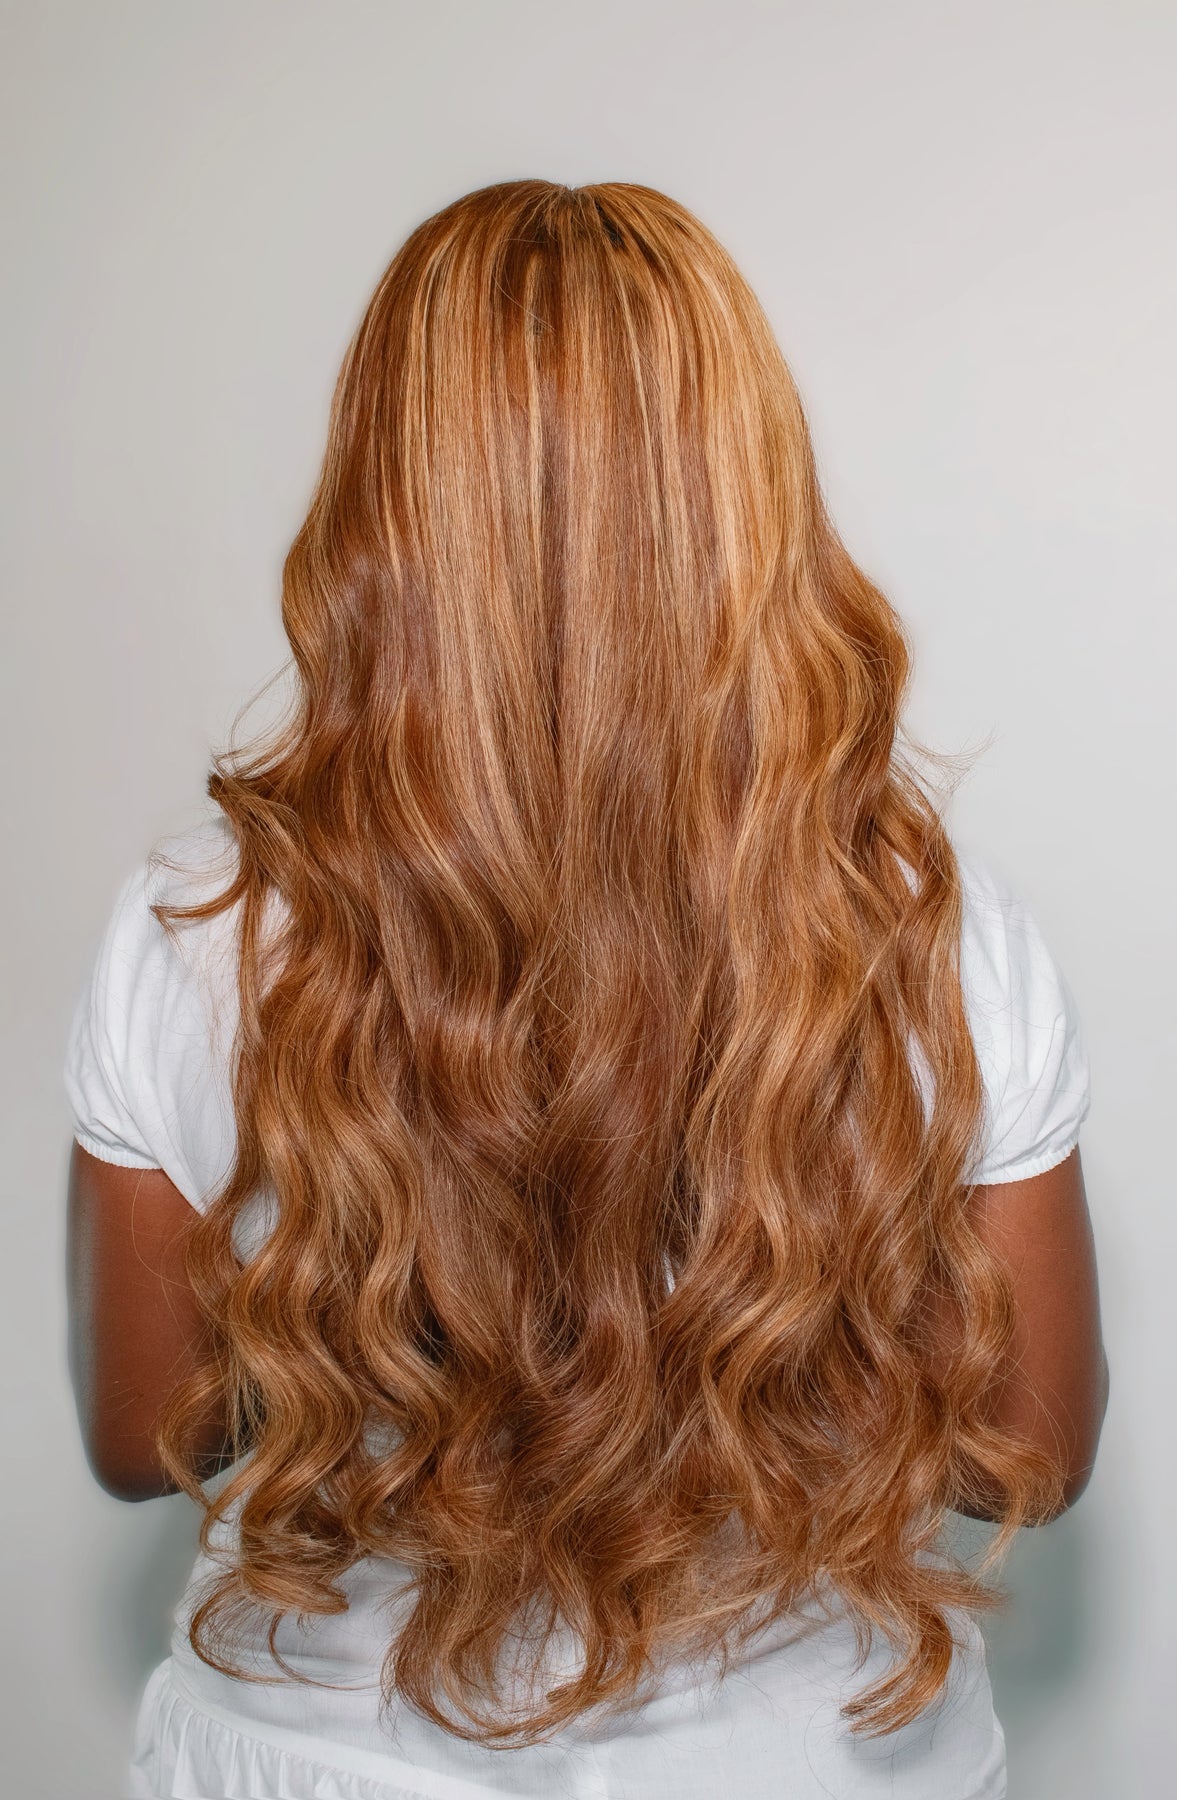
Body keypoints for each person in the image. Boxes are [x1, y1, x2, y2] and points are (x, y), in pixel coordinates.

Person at [63, 179, 1108, 1800]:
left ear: (385, 500)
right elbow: (1023, 1456)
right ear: (741, 498)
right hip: (806, 1766)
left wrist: (387, 1295)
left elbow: (145, 1436)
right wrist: (747, 1298)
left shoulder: (202, 923)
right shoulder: (922, 929)